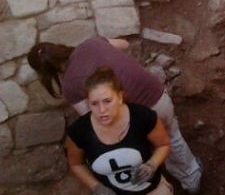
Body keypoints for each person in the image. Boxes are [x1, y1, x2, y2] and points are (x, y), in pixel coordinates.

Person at [28, 38, 202, 194]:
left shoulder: (68, 86)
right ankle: (191, 178)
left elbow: (94, 117)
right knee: (171, 137)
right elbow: (124, 44)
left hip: (135, 121)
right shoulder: (91, 43)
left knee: (143, 150)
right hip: (156, 96)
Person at [66, 66, 172, 195]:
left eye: (107, 101)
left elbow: (163, 145)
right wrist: (96, 186)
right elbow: (76, 164)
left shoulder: (142, 117)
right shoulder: (79, 131)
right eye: (94, 103)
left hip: (153, 190)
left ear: (120, 97)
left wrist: (151, 164)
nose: (102, 110)